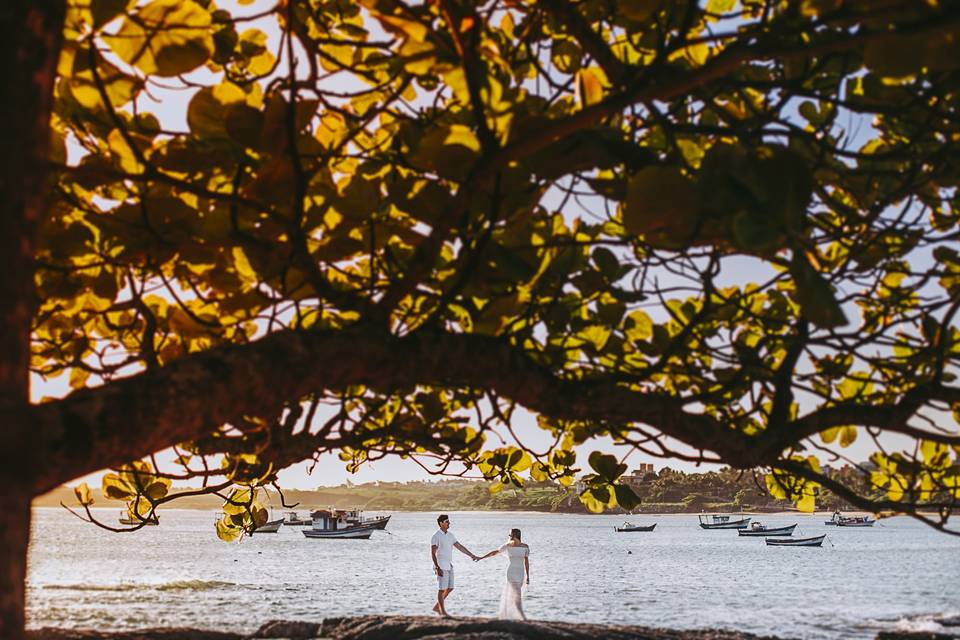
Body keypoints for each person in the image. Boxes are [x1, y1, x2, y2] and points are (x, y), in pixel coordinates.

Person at [476, 527, 530, 620]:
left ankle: (511, 614)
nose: (509, 536)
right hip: (511, 572)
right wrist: (481, 557)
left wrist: (528, 576)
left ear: (515, 535)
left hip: (521, 573)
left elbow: (526, 562)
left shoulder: (525, 547)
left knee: (515, 594)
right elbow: (494, 552)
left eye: (510, 534)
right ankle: (522, 616)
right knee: (517, 593)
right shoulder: (508, 546)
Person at [430, 514, 478, 617]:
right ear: (441, 523)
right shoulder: (436, 536)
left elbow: (459, 546)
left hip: (449, 564)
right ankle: (441, 611)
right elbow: (433, 553)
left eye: (448, 521)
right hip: (440, 565)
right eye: (447, 521)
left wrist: (471, 555)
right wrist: (437, 567)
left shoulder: (450, 535)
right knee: (442, 589)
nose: (449, 523)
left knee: (450, 587)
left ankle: (437, 607)